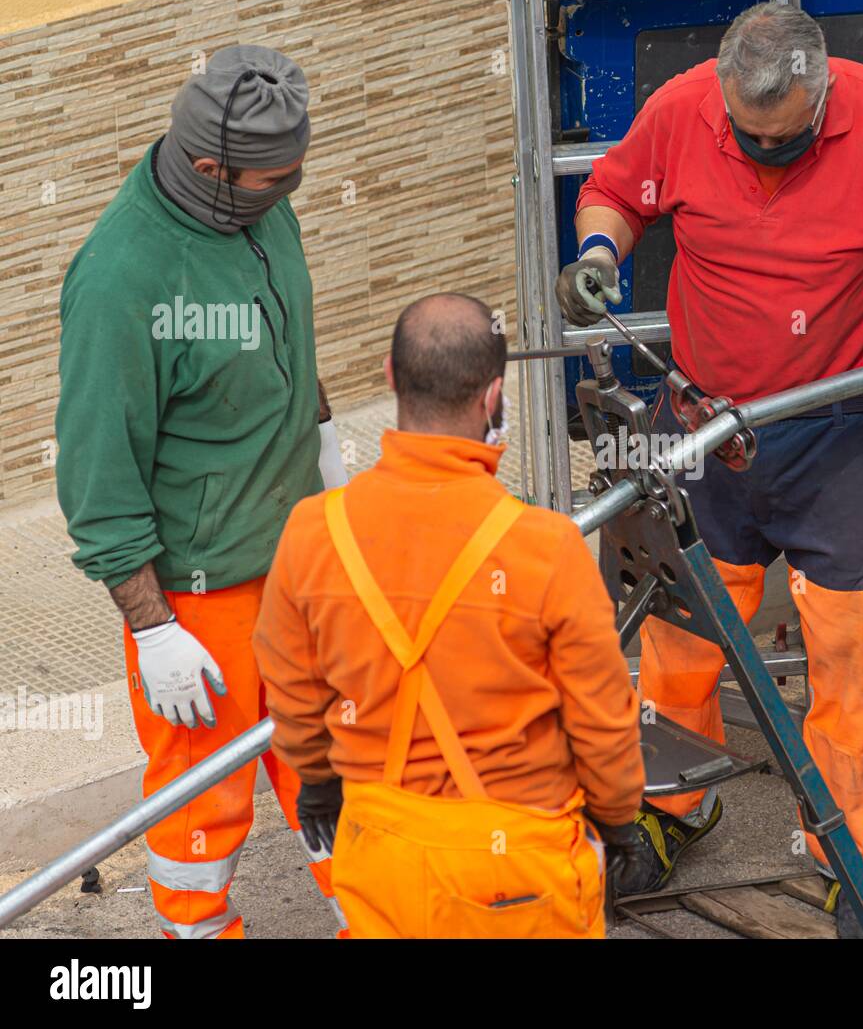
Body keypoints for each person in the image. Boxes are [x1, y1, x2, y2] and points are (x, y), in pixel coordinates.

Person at [556, 2, 863, 936]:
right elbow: (617, 192)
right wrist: (596, 250)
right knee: (683, 631)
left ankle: (852, 857)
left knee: (851, 651)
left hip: (833, 434)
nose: (757, 154)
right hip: (701, 426)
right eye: (746, 136)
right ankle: (670, 812)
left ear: (822, 98)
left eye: (780, 141)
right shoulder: (686, 109)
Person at [56, 44, 348, 939]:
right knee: (202, 801)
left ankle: (378, 916)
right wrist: (154, 629)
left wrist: (329, 456)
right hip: (200, 595)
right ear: (210, 168)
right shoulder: (120, 279)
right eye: (273, 180)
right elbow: (97, 479)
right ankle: (198, 931)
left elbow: (288, 344)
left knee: (339, 762)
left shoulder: (260, 204)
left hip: (301, 560)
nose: (287, 194)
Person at [252, 294, 655, 938]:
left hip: (381, 850)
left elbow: (292, 691)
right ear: (495, 398)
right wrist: (617, 820)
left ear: (389, 375)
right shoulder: (544, 547)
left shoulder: (313, 532)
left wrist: (320, 782)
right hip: (517, 869)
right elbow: (601, 717)